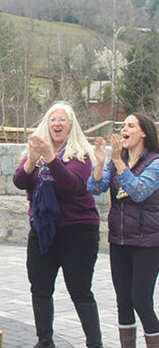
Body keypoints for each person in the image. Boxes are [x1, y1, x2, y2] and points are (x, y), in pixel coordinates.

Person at [13, 102, 102, 348]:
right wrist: (32, 159)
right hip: (43, 229)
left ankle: (95, 343)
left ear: (71, 125)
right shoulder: (37, 150)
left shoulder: (80, 154)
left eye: (63, 119)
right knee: (40, 287)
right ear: (46, 124)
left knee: (80, 290)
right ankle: (45, 340)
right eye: (53, 119)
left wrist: (50, 157)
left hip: (77, 230)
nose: (57, 124)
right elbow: (20, 182)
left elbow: (70, 186)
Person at [87, 113, 159, 348]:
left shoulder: (155, 163)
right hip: (119, 242)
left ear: (144, 132)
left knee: (141, 301)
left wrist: (118, 161)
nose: (124, 129)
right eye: (122, 125)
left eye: (130, 125)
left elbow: (139, 192)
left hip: (148, 244)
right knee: (124, 302)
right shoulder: (116, 160)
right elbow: (95, 187)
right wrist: (100, 163)